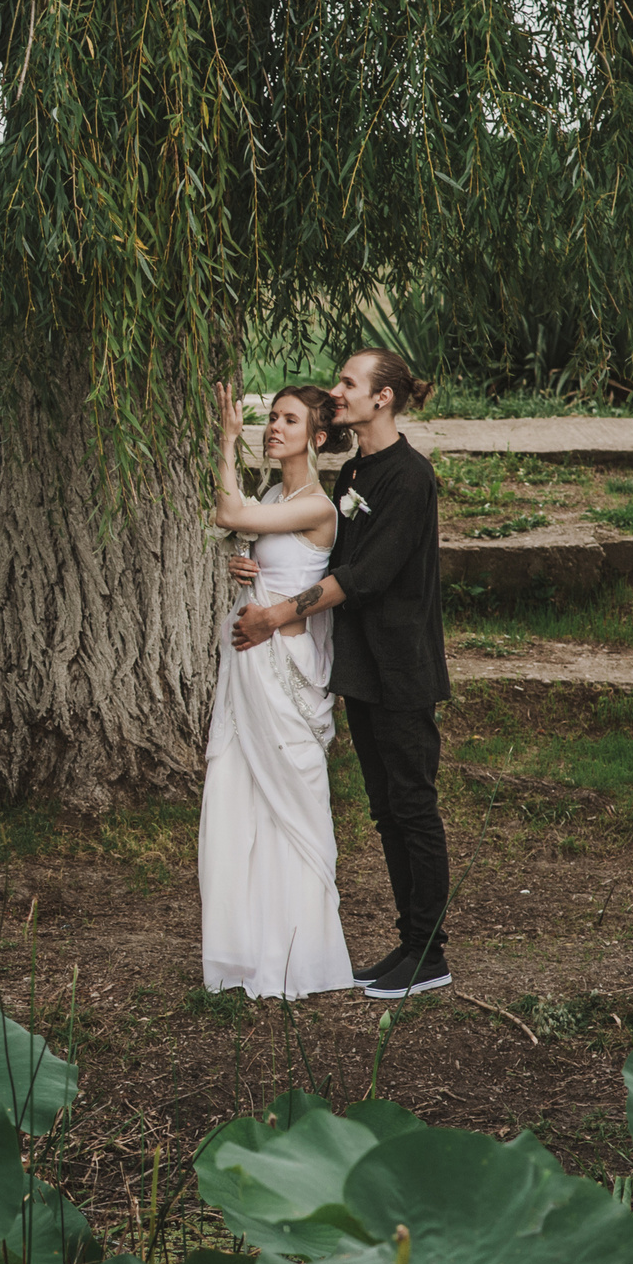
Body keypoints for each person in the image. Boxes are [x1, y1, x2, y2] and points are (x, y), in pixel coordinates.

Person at [230, 348, 451, 999]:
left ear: (382, 398)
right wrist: (268, 571)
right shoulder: (357, 469)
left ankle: (429, 953)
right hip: (362, 668)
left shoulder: (409, 478)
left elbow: (364, 576)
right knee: (385, 810)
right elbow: (330, 552)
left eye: (348, 383)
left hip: (402, 667)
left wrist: (276, 614)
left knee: (412, 807)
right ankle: (409, 946)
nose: (338, 390)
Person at [199, 384, 356, 999]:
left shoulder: (318, 506)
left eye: (289, 420)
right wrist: (246, 565)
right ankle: (245, 946)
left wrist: (226, 440)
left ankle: (304, 953)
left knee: (294, 798)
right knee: (240, 791)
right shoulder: (273, 494)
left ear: (317, 438)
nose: (274, 428)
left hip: (284, 666)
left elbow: (227, 513)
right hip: (247, 664)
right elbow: (245, 527)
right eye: (271, 419)